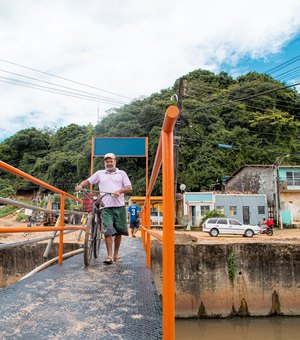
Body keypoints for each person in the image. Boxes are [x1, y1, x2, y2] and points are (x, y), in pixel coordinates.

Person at [75, 153, 132, 264]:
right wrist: (80, 186)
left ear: (115, 162)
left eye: (111, 161)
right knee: (108, 231)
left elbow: (129, 187)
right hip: (106, 207)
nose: (109, 163)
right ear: (104, 163)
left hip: (119, 206)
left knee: (119, 231)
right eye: (107, 161)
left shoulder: (122, 173)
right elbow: (88, 181)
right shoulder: (99, 173)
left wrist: (119, 191)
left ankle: (116, 255)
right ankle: (109, 256)